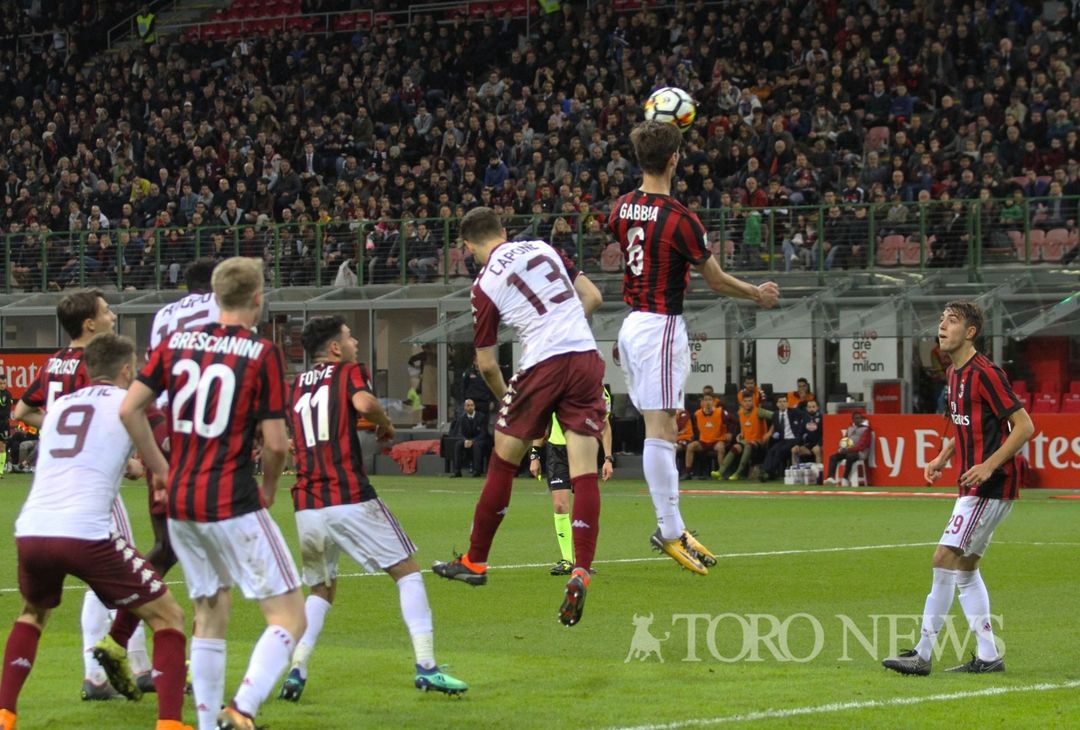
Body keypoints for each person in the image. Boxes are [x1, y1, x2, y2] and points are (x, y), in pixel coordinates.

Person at [120, 257, 306, 730]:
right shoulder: (261, 352)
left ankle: (205, 725)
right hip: (231, 497)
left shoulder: (175, 344)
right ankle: (241, 709)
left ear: (216, 297)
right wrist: (267, 487)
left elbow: (130, 410)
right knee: (289, 616)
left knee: (210, 609)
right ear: (258, 298)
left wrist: (161, 468)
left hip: (181, 499)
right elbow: (278, 444)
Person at [608, 121, 779, 574]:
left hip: (632, 324)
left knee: (658, 425)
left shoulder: (621, 207)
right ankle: (668, 530)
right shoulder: (681, 219)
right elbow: (716, 279)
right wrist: (756, 294)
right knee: (662, 430)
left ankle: (673, 525)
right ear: (674, 159)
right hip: (660, 326)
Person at [0, 333, 189, 730]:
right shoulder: (130, 404)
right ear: (126, 369)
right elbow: (161, 460)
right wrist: (159, 472)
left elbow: (83, 449)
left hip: (32, 528)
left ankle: (5, 715)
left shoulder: (62, 405)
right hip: (85, 532)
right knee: (169, 616)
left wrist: (131, 467)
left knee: (33, 614)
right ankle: (171, 723)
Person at [277, 315, 467, 702]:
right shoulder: (346, 372)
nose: (355, 344)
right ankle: (427, 666)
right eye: (349, 338)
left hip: (306, 503)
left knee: (321, 589)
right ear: (334, 348)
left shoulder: (293, 386)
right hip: (348, 495)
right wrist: (385, 423)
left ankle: (297, 670)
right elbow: (363, 402)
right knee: (408, 572)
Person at [432, 207, 605, 628]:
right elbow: (593, 297)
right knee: (584, 471)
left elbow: (488, 365)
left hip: (541, 364)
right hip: (585, 357)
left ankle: (476, 560)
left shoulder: (483, 284)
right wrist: (563, 328)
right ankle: (581, 568)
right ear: (505, 232)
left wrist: (509, 401)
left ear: (468, 247)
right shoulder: (544, 246)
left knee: (503, 462)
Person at [883, 301, 1033, 676]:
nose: (942, 326)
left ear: (970, 332)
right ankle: (987, 656)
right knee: (965, 569)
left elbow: (1025, 426)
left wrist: (987, 465)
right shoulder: (953, 373)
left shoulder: (986, 373)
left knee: (942, 559)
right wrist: (941, 457)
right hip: (974, 483)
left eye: (952, 321)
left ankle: (922, 654)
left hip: (989, 485)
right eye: (940, 320)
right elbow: (964, 424)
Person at [10, 289, 145, 701]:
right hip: (91, 487)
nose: (112, 314)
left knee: (127, 574)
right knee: (123, 577)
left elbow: (21, 411)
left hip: (54, 486)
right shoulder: (94, 364)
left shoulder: (54, 362)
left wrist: (54, 426)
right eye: (106, 311)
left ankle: (139, 668)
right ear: (90, 323)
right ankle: (97, 674)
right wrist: (131, 464)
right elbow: (102, 418)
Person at [105, 258, 221, 694]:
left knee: (168, 548)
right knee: (208, 561)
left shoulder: (163, 316)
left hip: (160, 431)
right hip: (200, 436)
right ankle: (196, 672)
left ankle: (117, 640)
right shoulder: (221, 306)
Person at [529, 387, 614, 575]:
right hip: (557, 451)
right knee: (560, 505)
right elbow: (541, 423)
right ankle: (567, 560)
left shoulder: (598, 391)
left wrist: (608, 459)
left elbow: (605, 426)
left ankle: (583, 560)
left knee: (584, 505)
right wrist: (535, 455)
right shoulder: (556, 385)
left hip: (583, 447)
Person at [714, 390, 772, 481]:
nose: (748, 403)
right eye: (745, 401)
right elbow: (745, 424)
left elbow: (776, 416)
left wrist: (769, 433)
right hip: (747, 439)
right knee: (735, 447)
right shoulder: (740, 412)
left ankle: (738, 473)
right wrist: (741, 432)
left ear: (753, 401)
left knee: (748, 446)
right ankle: (720, 471)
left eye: (750, 401)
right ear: (742, 402)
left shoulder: (759, 411)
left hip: (759, 441)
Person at [683, 394, 731, 480]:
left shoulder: (720, 412)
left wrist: (729, 433)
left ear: (713, 402)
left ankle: (721, 472)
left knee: (720, 447)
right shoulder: (697, 414)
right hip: (704, 441)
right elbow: (694, 427)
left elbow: (732, 421)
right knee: (690, 446)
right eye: (705, 400)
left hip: (717, 440)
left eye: (709, 400)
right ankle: (688, 472)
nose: (707, 402)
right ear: (702, 402)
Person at [762, 396, 805, 480]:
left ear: (787, 403)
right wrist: (772, 433)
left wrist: (803, 427)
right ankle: (766, 470)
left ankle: (769, 472)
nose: (782, 403)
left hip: (793, 439)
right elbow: (775, 426)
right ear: (777, 404)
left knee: (779, 451)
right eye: (780, 401)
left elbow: (805, 416)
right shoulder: (775, 415)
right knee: (772, 450)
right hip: (783, 439)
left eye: (784, 401)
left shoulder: (794, 412)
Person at [823, 412, 872, 486]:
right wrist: (842, 448)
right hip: (848, 451)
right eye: (856, 418)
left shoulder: (866, 430)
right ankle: (830, 477)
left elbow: (861, 446)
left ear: (862, 419)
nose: (857, 420)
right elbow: (844, 440)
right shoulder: (850, 428)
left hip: (860, 453)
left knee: (850, 456)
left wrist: (848, 450)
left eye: (859, 418)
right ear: (852, 419)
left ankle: (845, 478)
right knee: (833, 457)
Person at [447, 398, 491, 477]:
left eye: (471, 405)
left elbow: (483, 433)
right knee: (458, 444)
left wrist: (472, 441)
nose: (470, 407)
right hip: (466, 440)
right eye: (468, 405)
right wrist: (465, 440)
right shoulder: (462, 418)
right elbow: (459, 432)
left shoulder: (481, 417)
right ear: (464, 407)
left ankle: (477, 471)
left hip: (479, 440)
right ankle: (457, 471)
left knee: (477, 445)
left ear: (474, 406)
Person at [791, 399, 823, 466]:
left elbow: (824, 434)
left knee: (817, 451)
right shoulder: (805, 418)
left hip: (819, 444)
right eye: (809, 407)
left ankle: (819, 472)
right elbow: (800, 433)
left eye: (813, 407)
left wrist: (819, 444)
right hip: (808, 445)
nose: (811, 409)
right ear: (807, 408)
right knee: (794, 450)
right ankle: (796, 471)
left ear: (817, 407)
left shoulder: (822, 418)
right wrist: (797, 444)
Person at [0, 375, 11, 477]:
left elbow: (7, 411)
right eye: (0, 384)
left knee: (2, 446)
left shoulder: (8, 394)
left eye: (4, 383)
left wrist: (4, 422)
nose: (2, 385)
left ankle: (0, 471)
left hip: (3, 424)